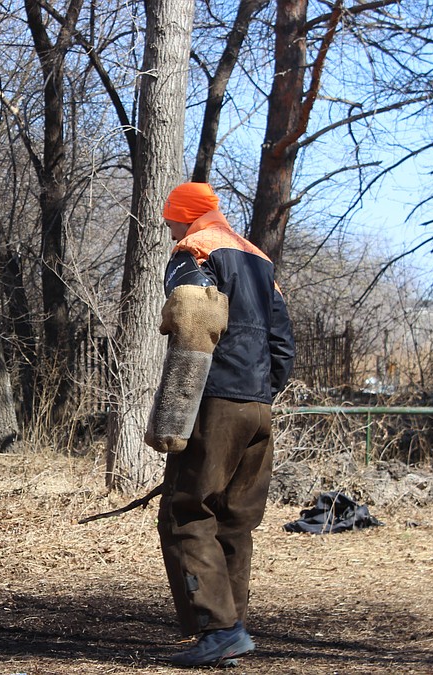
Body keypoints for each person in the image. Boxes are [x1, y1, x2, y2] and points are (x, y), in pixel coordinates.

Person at [145, 182, 295, 667]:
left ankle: (218, 629)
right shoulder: (258, 259)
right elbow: (283, 343)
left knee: (187, 511)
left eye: (171, 219)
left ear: (185, 217)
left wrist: (175, 414)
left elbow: (192, 322)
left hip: (215, 401)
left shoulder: (195, 250)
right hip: (258, 406)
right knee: (235, 518)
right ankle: (233, 627)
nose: (168, 227)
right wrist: (262, 392)